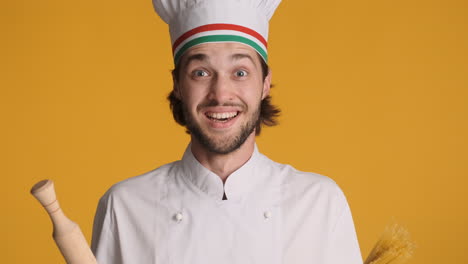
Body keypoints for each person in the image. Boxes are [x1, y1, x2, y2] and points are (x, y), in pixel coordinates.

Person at [91, 0, 363, 263]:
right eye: (201, 73)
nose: (220, 94)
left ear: (265, 83)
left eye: (240, 73)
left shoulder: (319, 204)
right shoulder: (125, 207)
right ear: (177, 84)